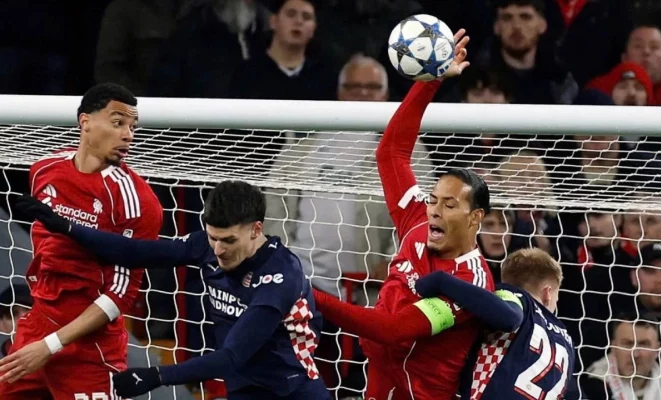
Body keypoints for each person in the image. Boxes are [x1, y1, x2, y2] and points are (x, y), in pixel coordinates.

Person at [15, 180, 330, 400]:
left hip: (291, 390)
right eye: (213, 238)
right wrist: (66, 227)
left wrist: (157, 376)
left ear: (256, 229)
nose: (218, 250)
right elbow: (135, 252)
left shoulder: (278, 276)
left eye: (229, 241)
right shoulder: (206, 247)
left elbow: (232, 356)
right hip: (243, 389)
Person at [311, 29, 496, 400]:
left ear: (475, 218)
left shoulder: (471, 284)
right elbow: (392, 152)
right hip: (379, 380)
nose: (434, 211)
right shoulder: (418, 219)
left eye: (449, 205)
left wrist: (307, 294)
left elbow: (393, 330)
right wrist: (432, 80)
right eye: (433, 199)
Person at [0, 83, 163, 399]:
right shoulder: (44, 171)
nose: (128, 135)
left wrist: (50, 345)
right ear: (85, 122)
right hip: (38, 326)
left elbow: (120, 295)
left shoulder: (138, 203)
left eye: (132, 127)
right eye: (118, 123)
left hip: (90, 345)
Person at [416, 248, 575, 399]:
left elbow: (509, 317)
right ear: (548, 293)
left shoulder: (514, 297)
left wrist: (442, 282)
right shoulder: (566, 341)